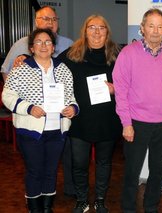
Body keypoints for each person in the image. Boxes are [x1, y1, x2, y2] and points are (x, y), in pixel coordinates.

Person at [113, 8, 162, 213]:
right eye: (151, 25)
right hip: (136, 123)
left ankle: (151, 206)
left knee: (158, 171)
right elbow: (120, 92)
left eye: (160, 26)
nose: (155, 30)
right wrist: (126, 123)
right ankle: (128, 208)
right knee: (132, 171)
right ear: (142, 28)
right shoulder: (128, 53)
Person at [0, 6, 75, 198]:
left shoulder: (63, 69)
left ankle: (47, 208)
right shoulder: (21, 68)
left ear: (53, 47)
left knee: (51, 173)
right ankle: (34, 208)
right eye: (39, 42)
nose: (43, 45)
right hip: (31, 130)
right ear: (31, 47)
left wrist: (73, 108)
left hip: (57, 130)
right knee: (34, 172)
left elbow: (71, 96)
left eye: (48, 42)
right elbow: (7, 95)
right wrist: (28, 107)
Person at [57, 15, 121, 213]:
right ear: (84, 31)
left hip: (107, 120)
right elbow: (50, 68)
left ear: (107, 32)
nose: (96, 32)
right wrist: (24, 59)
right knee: (79, 164)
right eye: (91, 27)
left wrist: (116, 88)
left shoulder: (117, 55)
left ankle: (100, 200)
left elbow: (132, 83)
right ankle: (82, 200)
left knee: (104, 163)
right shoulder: (71, 54)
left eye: (101, 28)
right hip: (80, 120)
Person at [1, 6, 73, 82]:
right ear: (36, 22)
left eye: (54, 19)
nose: (50, 23)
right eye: (46, 19)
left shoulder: (69, 45)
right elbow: (5, 71)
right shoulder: (21, 44)